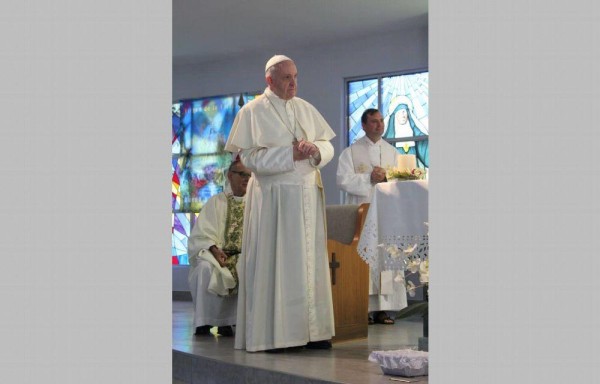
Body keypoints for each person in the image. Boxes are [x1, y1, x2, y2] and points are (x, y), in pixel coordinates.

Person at [224, 54, 336, 352]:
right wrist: (290, 155)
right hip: (274, 199)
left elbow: (328, 144)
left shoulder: (304, 107)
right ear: (269, 80)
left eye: (296, 76)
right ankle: (277, 335)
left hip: (307, 196)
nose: (294, 83)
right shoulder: (252, 112)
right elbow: (249, 158)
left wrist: (316, 150)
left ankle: (313, 331)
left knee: (309, 263)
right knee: (281, 262)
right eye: (287, 78)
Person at [336, 108, 412, 325]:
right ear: (363, 125)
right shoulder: (350, 152)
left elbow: (402, 180)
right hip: (362, 212)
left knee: (386, 258)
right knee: (365, 258)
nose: (379, 125)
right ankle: (364, 308)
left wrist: (387, 176)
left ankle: (385, 309)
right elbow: (342, 180)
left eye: (381, 121)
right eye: (374, 122)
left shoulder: (393, 152)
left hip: (387, 213)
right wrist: (369, 178)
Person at [187, 158, 251, 337]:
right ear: (230, 176)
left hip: (245, 255)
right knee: (204, 268)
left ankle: (231, 321)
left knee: (248, 267)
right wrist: (214, 250)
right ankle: (205, 321)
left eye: (249, 175)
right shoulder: (215, 202)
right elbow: (201, 234)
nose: (246, 178)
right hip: (218, 255)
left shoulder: (256, 204)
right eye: (242, 174)